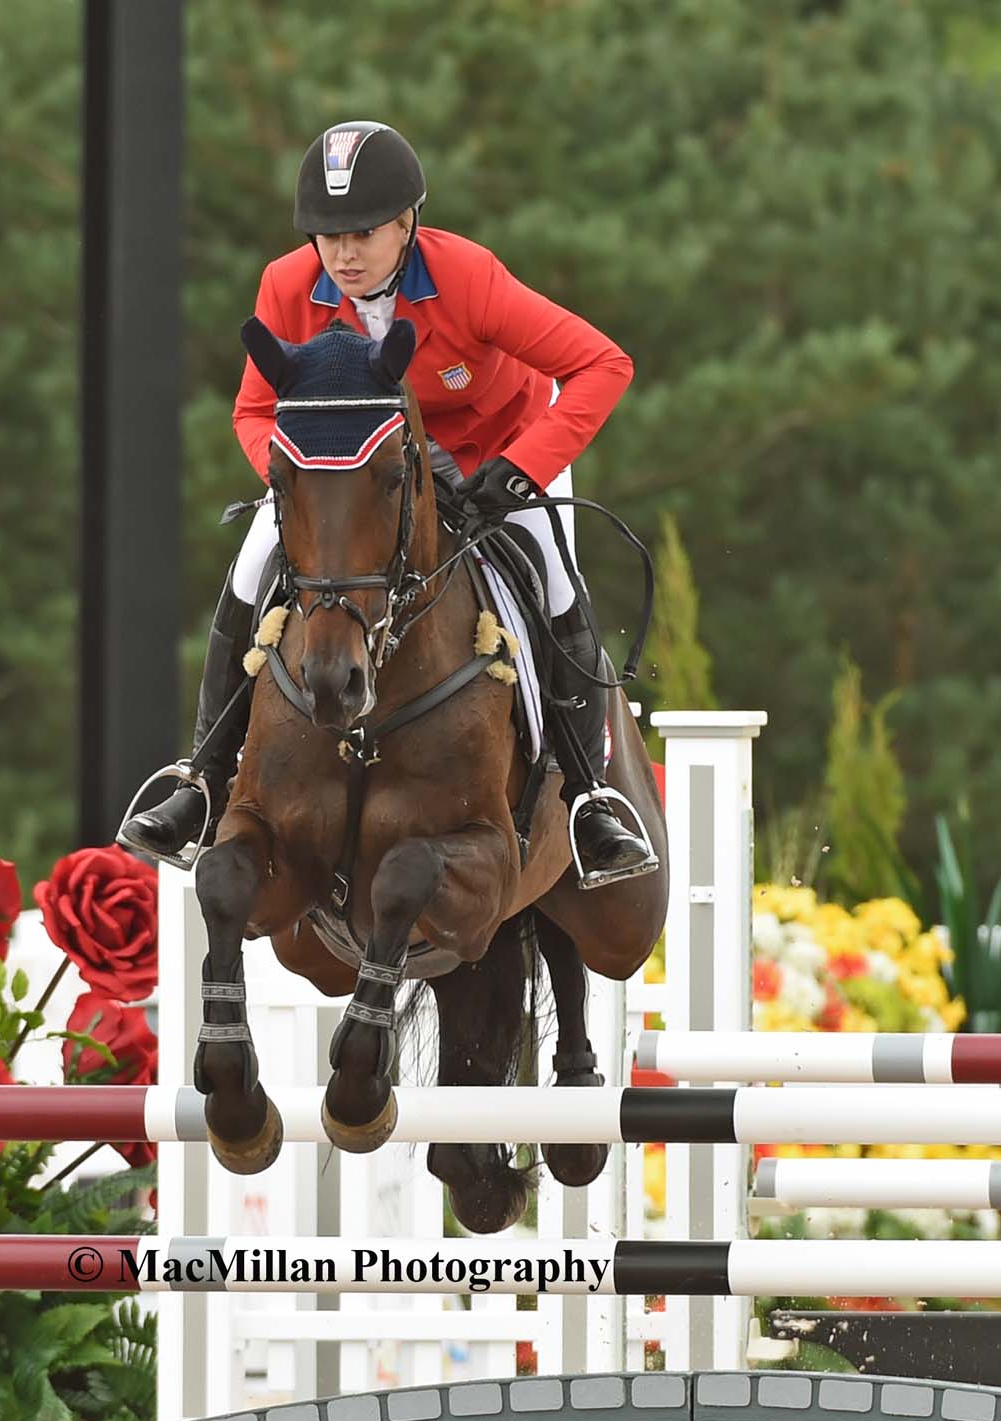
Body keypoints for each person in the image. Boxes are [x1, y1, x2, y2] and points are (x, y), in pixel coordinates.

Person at [121, 119, 657, 888]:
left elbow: (602, 364)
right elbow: (251, 412)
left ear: (407, 222)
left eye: (362, 233)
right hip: (353, 481)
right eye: (325, 235)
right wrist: (291, 485)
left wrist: (520, 469)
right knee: (249, 571)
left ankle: (589, 799)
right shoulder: (285, 286)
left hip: (492, 459)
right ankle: (201, 780)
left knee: (553, 579)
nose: (341, 254)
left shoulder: (466, 277)